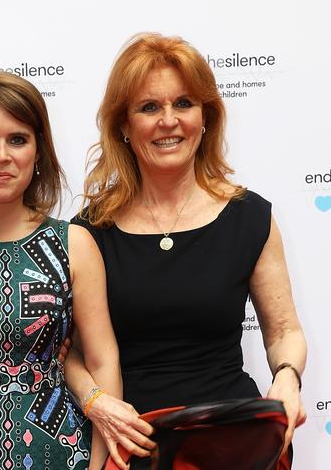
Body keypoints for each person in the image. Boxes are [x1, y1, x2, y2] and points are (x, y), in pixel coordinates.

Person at [64, 33, 307, 469]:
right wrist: (96, 402)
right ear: (123, 125)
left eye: (183, 104)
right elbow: (70, 350)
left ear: (206, 116)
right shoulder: (90, 230)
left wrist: (287, 379)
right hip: (134, 445)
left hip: (235, 443)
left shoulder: (250, 217)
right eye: (149, 107)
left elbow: (284, 330)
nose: (168, 121)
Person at [0, 70, 154, 470]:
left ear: (38, 151)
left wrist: (101, 467)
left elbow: (102, 362)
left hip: (59, 456)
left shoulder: (73, 245)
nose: (2, 155)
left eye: (18, 139)